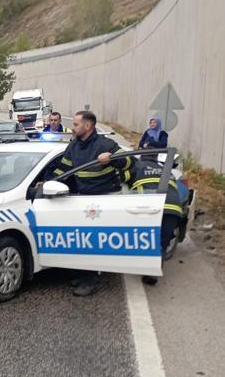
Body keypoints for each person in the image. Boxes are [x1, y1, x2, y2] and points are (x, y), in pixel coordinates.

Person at [47, 110, 133, 296]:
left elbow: (129, 162)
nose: (73, 127)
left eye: (76, 124)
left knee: (90, 240)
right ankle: (82, 274)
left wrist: (111, 159)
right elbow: (64, 169)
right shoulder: (74, 146)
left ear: (88, 126)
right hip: (83, 197)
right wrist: (48, 183)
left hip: (104, 198)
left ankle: (90, 280)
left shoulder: (105, 144)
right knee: (81, 239)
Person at [129, 155, 184, 286]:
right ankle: (152, 272)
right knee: (162, 242)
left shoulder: (137, 167)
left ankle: (148, 269)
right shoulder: (165, 169)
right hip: (174, 210)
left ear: (141, 158)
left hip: (153, 208)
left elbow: (122, 181)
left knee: (146, 239)